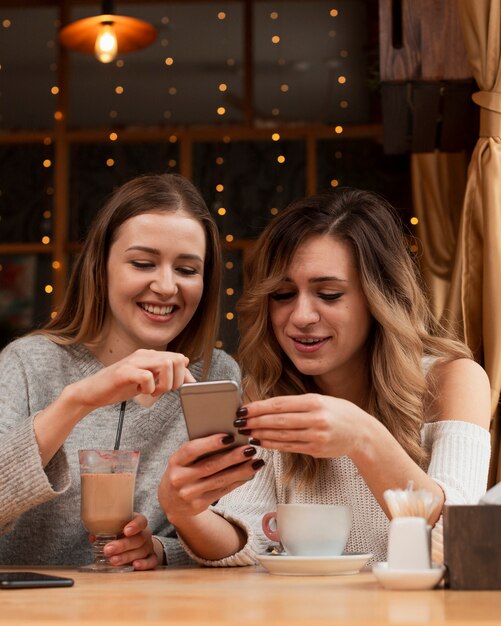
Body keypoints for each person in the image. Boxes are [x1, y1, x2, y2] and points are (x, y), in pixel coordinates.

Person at [159, 187, 492, 566]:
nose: (300, 316)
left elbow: (462, 544)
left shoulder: (452, 381)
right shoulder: (266, 389)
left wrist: (364, 439)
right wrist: (185, 513)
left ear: (378, 297)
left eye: (329, 294)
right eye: (283, 294)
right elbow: (247, 543)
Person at [0, 173, 263, 569]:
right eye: (143, 263)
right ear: (100, 266)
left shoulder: (215, 375)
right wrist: (78, 400)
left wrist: (159, 549)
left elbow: (239, 531)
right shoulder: (28, 363)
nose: (165, 286)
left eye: (188, 270)